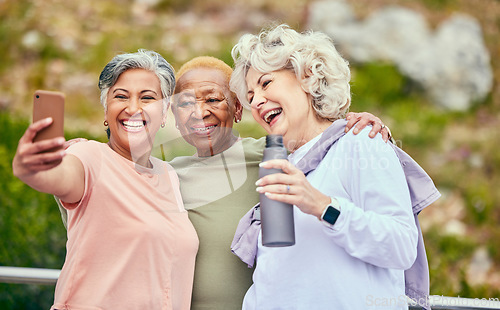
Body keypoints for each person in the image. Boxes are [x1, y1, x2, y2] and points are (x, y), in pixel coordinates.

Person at [229, 24, 440, 309]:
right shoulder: (278, 164)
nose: (257, 101)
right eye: (251, 96)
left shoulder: (361, 142)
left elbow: (401, 246)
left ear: (307, 76)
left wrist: (322, 205)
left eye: (265, 83)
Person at [167, 56, 392, 309]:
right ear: (175, 117)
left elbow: (321, 137)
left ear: (238, 109)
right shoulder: (166, 176)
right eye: (185, 103)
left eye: (212, 99)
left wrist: (360, 122)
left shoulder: (275, 155)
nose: (199, 112)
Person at [12, 49, 198, 310]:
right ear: (106, 109)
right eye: (120, 96)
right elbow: (60, 176)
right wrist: (31, 169)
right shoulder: (89, 156)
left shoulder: (169, 176)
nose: (132, 108)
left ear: (165, 111)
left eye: (147, 97)